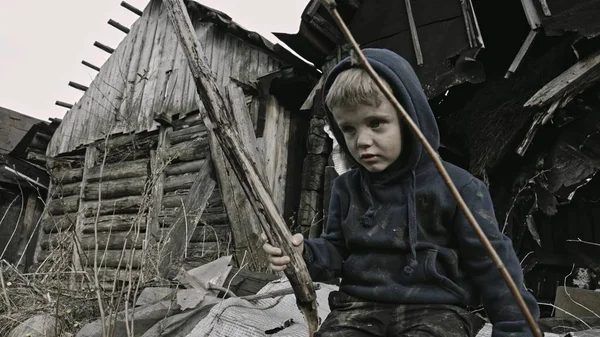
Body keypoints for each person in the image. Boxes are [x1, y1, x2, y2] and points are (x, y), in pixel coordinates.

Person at [262, 48, 539, 337]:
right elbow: (335, 250)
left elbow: (493, 264)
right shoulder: (347, 188)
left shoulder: (459, 188)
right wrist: (303, 252)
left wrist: (516, 329)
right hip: (357, 310)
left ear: (409, 119)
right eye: (348, 129)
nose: (362, 141)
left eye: (376, 123)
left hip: (437, 312)